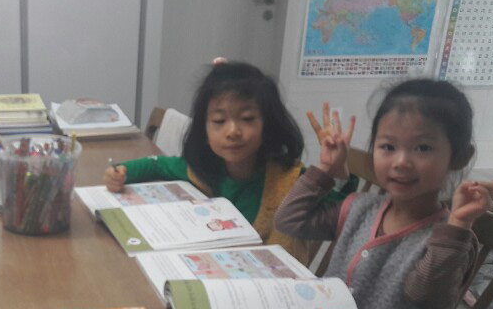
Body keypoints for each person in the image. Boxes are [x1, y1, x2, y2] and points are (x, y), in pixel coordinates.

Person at [275, 78, 493, 309]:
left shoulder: (452, 240)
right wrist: (326, 169)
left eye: (423, 148)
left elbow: (425, 295)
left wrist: (459, 224)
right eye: (388, 147)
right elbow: (290, 220)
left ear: (459, 157)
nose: (402, 162)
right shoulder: (359, 208)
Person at [103, 60, 354, 264]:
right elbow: (157, 164)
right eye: (219, 121)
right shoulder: (201, 169)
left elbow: (349, 215)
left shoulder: (290, 181)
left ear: (267, 124)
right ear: (204, 129)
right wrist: (123, 171)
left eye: (247, 118)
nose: (233, 131)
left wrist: (337, 171)